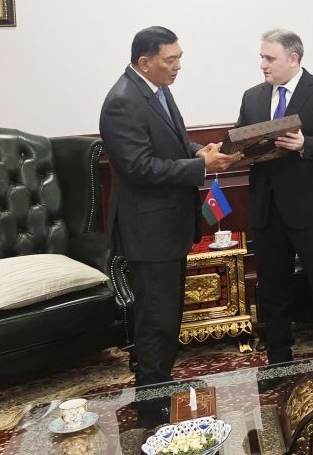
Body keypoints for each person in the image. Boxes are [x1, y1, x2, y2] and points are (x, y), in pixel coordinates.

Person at [100, 26, 240, 387]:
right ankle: (151, 397)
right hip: (149, 231)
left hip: (168, 226)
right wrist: (200, 166)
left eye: (179, 58)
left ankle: (161, 383)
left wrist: (198, 151)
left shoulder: (156, 89)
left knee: (167, 316)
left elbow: (171, 142)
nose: (178, 66)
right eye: (170, 60)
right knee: (155, 321)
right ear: (145, 62)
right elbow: (141, 167)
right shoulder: (122, 102)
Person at [236, 28, 313, 364]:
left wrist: (306, 144)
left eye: (269, 58)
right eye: (261, 57)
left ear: (293, 58)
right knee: (272, 288)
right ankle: (278, 358)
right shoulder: (252, 97)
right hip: (267, 207)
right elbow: (244, 140)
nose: (262, 64)